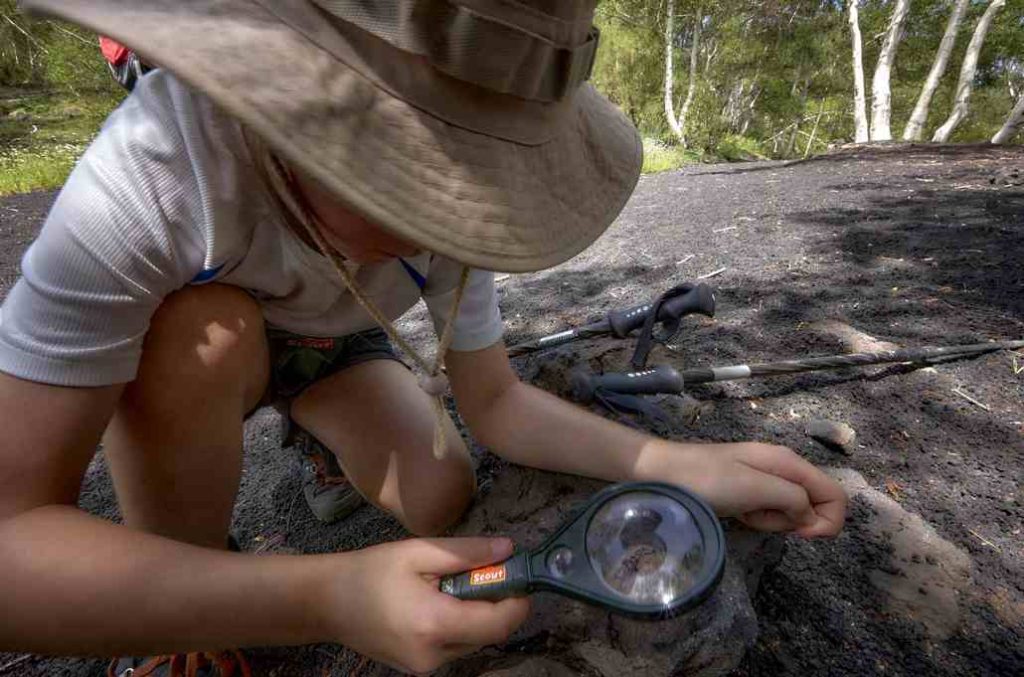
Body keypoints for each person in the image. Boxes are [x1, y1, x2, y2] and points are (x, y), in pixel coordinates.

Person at [0, 2, 847, 676]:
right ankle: (174, 607)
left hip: (340, 343)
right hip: (190, 350)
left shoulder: (461, 210)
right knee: (205, 339)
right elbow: (13, 540)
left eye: (481, 172)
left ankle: (315, 437)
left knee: (444, 493)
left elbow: (499, 403)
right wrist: (323, 597)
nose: (451, 216)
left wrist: (687, 466)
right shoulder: (153, 169)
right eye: (415, 170)